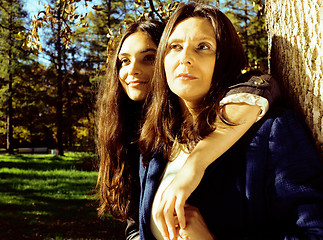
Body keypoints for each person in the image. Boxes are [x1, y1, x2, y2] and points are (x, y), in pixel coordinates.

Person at [138, 2, 323, 240]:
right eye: (175, 46)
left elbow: (315, 231)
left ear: (224, 59)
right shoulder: (157, 141)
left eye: (203, 47)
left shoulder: (273, 132)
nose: (185, 57)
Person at [95, 19, 278, 240]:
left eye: (149, 58)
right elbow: (137, 221)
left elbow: (259, 86)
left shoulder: (255, 121)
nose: (132, 70)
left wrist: (196, 163)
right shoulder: (149, 133)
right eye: (124, 60)